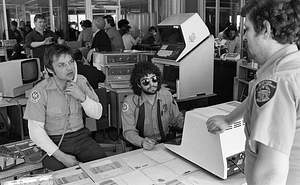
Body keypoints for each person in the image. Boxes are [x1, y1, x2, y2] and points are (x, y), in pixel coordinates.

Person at [206, 0, 300, 184]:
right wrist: (228, 120)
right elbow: (258, 99)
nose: (244, 37)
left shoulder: (275, 81)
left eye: (247, 29)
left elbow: (271, 173)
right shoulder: (290, 67)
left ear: (265, 29)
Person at [23, 44, 107, 171]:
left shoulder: (81, 81)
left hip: (81, 138)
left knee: (104, 166)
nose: (70, 68)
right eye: (61, 65)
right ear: (50, 70)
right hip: (54, 142)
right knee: (62, 174)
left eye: (71, 62)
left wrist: (82, 97)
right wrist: (61, 156)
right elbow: (35, 132)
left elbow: (97, 114)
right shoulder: (40, 91)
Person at [121, 61, 184, 150]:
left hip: (164, 144)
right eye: (146, 82)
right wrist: (142, 141)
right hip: (141, 146)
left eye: (154, 79)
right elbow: (128, 131)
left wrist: (194, 125)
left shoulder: (167, 96)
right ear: (138, 85)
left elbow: (177, 120)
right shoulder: (130, 103)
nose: (152, 84)